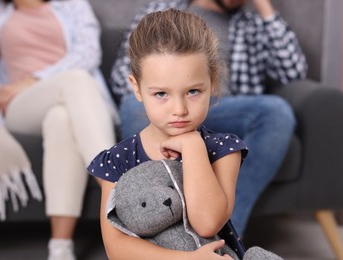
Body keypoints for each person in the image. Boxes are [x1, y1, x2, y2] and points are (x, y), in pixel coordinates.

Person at [110, 0, 307, 236]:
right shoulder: (162, 9)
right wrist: (165, 94)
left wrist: (264, 7)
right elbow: (122, 77)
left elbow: (293, 72)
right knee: (134, 105)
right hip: (165, 105)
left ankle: (223, 231)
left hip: (227, 108)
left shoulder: (252, 23)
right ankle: (150, 227)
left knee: (278, 111)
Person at [88, 8, 248, 259]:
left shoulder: (223, 150)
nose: (180, 110)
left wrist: (194, 146)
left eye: (193, 91)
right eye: (161, 94)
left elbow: (207, 223)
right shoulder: (117, 161)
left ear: (213, 82)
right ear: (137, 88)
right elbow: (116, 247)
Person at [0, 0, 119, 259]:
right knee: (75, 81)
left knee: (61, 118)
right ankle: (117, 189)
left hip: (80, 99)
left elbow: (87, 54)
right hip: (22, 106)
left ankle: (59, 248)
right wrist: (27, 88)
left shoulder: (74, 6)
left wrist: (31, 81)